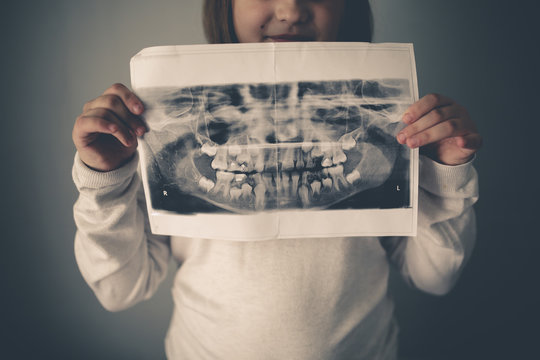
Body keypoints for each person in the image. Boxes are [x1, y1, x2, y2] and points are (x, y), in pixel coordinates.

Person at [71, 0, 482, 358]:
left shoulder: (392, 123)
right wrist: (104, 181)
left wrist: (443, 175)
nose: (290, 9)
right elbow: (119, 288)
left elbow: (436, 276)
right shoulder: (165, 127)